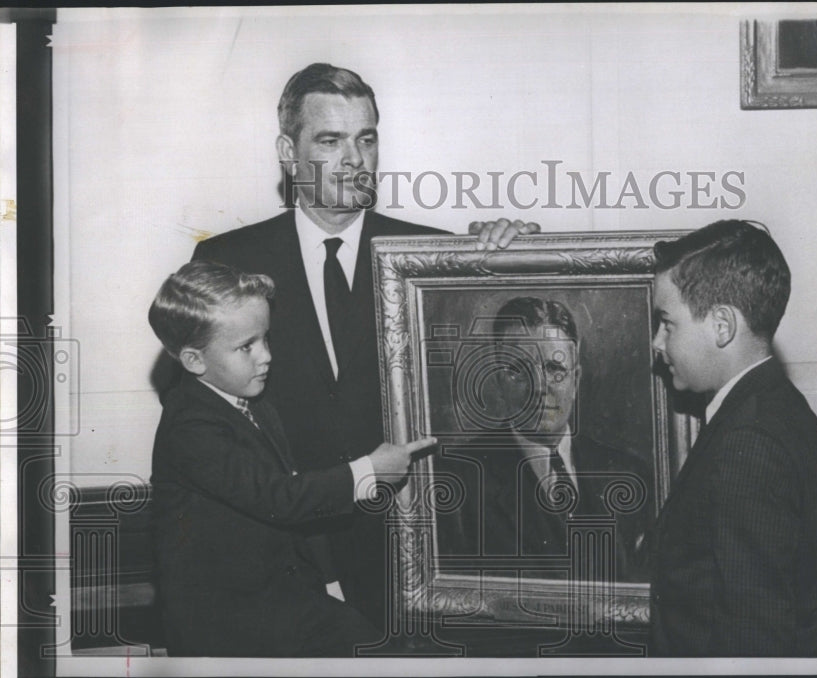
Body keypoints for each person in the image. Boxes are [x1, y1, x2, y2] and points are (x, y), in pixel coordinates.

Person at [189, 63, 537, 628]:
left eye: (366, 138)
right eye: (330, 140)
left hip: (415, 560)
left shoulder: (434, 259)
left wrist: (523, 257)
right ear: (288, 149)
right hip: (283, 564)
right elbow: (212, 430)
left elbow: (500, 380)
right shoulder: (226, 263)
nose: (354, 158)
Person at [147, 260, 436, 656]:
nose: (265, 356)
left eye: (265, 338)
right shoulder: (190, 425)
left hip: (286, 601)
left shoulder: (253, 399)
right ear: (194, 360)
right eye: (246, 346)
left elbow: (297, 510)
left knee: (376, 650)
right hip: (224, 626)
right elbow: (280, 498)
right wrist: (370, 471)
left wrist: (329, 584)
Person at [648, 219, 817, 656]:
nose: (657, 342)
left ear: (721, 326)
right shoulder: (776, 408)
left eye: (667, 323)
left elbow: (754, 642)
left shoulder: (748, 442)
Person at [436, 297, 652, 582]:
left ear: (575, 380)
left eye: (554, 369)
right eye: (520, 372)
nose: (539, 388)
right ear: (500, 382)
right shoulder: (458, 481)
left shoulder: (628, 473)